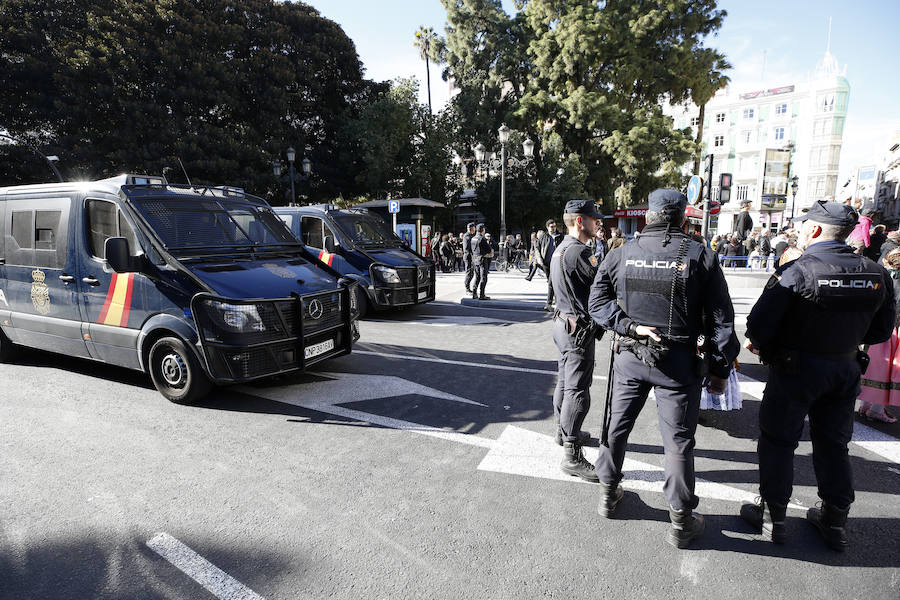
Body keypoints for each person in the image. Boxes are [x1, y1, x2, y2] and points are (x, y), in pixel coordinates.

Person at [589, 188, 739, 548]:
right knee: (678, 442)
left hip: (630, 355)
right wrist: (720, 369)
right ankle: (681, 521)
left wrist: (627, 326)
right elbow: (722, 320)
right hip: (679, 362)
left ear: (648, 217)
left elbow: (596, 302)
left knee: (616, 425)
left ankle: (608, 494)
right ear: (682, 219)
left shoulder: (622, 253)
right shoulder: (699, 254)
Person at [741, 201, 896, 552]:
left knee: (779, 440)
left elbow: (759, 326)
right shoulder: (876, 272)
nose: (799, 230)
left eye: (803, 225)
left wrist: (770, 345)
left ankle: (773, 516)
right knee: (834, 443)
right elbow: (882, 330)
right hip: (844, 368)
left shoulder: (798, 270)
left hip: (796, 368)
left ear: (814, 230)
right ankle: (835, 519)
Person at [550, 199, 605, 481]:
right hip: (577, 329)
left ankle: (563, 432)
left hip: (562, 323)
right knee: (578, 390)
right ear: (580, 221)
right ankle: (571, 454)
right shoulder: (580, 253)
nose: (599, 223)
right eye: (594, 219)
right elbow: (602, 287)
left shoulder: (560, 249)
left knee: (564, 381)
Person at [856, 247, 900, 423]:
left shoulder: (882, 275)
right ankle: (876, 409)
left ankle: (867, 405)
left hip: (879, 326)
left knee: (875, 367)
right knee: (887, 370)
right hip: (893, 327)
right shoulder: (892, 278)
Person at [470, 224, 493, 300]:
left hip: (475, 259)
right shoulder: (481, 239)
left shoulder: (473, 238)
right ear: (482, 230)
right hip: (482, 259)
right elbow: (489, 250)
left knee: (477, 277)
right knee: (484, 277)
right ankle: (482, 295)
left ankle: (474, 293)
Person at [463, 223, 476, 293]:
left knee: (471, 273)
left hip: (471, 256)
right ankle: (467, 288)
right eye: (474, 228)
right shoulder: (467, 236)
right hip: (468, 257)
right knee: (469, 272)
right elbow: (467, 248)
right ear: (471, 228)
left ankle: (468, 287)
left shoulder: (471, 235)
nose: (475, 229)